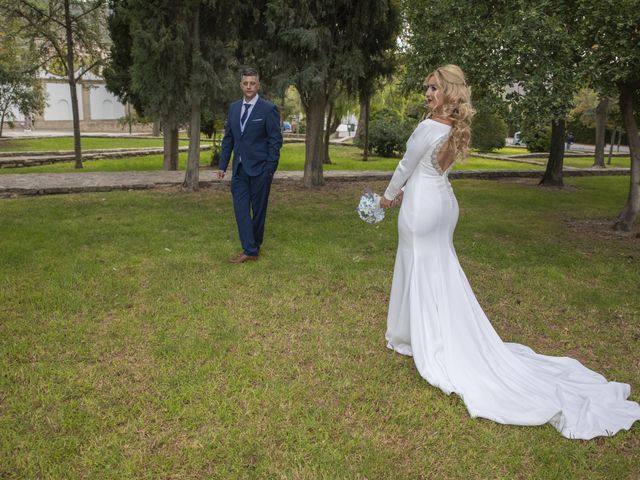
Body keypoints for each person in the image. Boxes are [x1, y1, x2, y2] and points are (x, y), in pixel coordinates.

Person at [378, 64, 640, 439]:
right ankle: (419, 334)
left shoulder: (429, 127)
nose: (428, 94)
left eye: (433, 88)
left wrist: (388, 197)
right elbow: (428, 169)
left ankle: (414, 338)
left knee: (417, 267)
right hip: (442, 203)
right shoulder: (453, 126)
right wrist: (405, 190)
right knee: (437, 269)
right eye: (427, 88)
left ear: (450, 91)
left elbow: (406, 166)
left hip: (423, 207)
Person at [218, 68, 283, 263]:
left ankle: (254, 245)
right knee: (240, 209)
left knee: (258, 210)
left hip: (260, 170)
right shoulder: (234, 108)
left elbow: (275, 140)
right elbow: (228, 138)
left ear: (258, 85)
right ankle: (249, 249)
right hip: (239, 170)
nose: (249, 87)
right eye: (245, 83)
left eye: (252, 83)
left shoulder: (268, 109)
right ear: (240, 85)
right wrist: (222, 165)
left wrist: (269, 169)